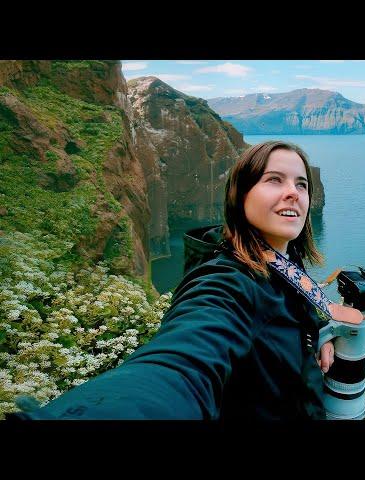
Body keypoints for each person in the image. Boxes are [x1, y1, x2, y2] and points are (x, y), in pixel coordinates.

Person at [7, 141, 337, 420]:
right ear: (241, 194)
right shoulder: (227, 281)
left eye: (302, 184)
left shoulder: (281, 264)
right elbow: (183, 360)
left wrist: (309, 334)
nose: (293, 193)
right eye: (274, 180)